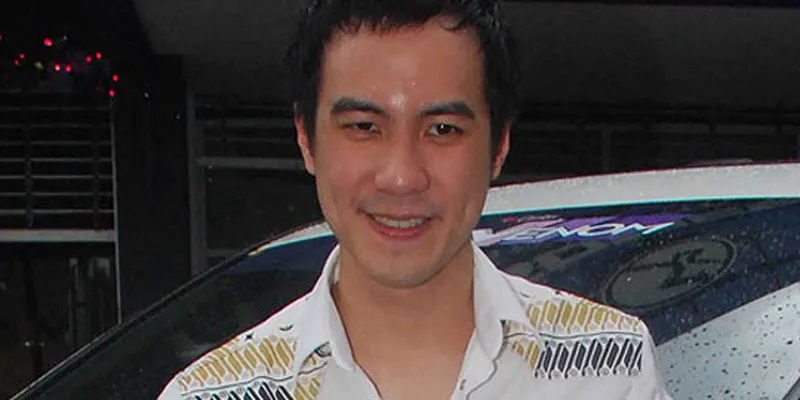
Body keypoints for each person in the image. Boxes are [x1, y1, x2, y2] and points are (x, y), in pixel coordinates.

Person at [159, 0, 673, 398]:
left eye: (442, 129)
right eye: (363, 127)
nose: (402, 177)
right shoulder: (215, 393)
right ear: (305, 138)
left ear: (499, 146)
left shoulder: (611, 367)